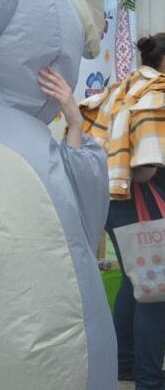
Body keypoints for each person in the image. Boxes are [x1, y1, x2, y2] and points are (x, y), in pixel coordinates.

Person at [82, 32, 165, 389]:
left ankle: (126, 364)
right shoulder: (157, 91)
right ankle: (149, 379)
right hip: (145, 197)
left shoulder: (121, 87)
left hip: (115, 199)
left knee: (138, 282)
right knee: (157, 290)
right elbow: (145, 165)